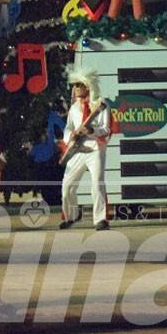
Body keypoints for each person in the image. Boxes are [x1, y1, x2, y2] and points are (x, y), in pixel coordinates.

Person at [59, 67, 111, 231]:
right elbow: (67, 128)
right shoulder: (74, 108)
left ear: (88, 85)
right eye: (74, 85)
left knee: (97, 183)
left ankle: (100, 219)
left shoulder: (101, 105)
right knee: (67, 186)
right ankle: (72, 215)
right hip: (77, 150)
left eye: (79, 85)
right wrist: (70, 136)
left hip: (95, 148)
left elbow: (106, 129)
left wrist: (91, 131)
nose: (76, 88)